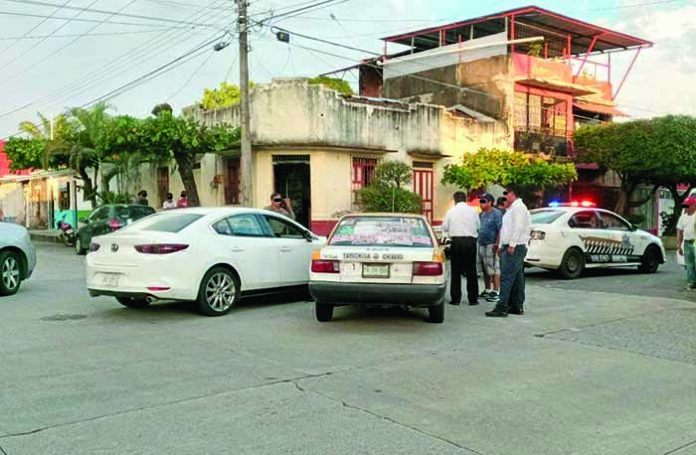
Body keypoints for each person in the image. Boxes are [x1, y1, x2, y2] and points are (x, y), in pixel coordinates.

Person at [486, 185, 530, 318]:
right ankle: (516, 305)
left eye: (506, 193)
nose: (504, 196)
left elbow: (519, 227)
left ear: (512, 193)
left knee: (506, 276)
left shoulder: (518, 208)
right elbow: (505, 230)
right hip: (511, 245)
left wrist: (512, 245)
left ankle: (502, 306)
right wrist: (500, 245)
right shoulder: (511, 209)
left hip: (515, 246)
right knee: (517, 277)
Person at [442, 191, 480, 306]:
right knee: (471, 270)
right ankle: (473, 299)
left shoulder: (451, 211)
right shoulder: (473, 211)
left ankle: (456, 298)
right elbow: (478, 226)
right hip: (470, 242)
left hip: (457, 242)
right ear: (465, 199)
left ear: (454, 200)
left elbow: (444, 227)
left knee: (456, 271)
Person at [477, 193, 503, 303]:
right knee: (485, 267)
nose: (481, 204)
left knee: (494, 267)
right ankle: (487, 289)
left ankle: (496, 291)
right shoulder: (482, 214)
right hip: (481, 243)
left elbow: (501, 229)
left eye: (483, 201)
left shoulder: (496, 214)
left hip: (491, 243)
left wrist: (497, 244)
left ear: (489, 202)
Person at [677, 196, 696, 289]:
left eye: (687, 206)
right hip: (687, 242)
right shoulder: (683, 218)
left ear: (693, 205)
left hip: (695, 241)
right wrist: (679, 245)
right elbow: (680, 232)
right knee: (689, 264)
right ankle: (691, 282)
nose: (686, 208)